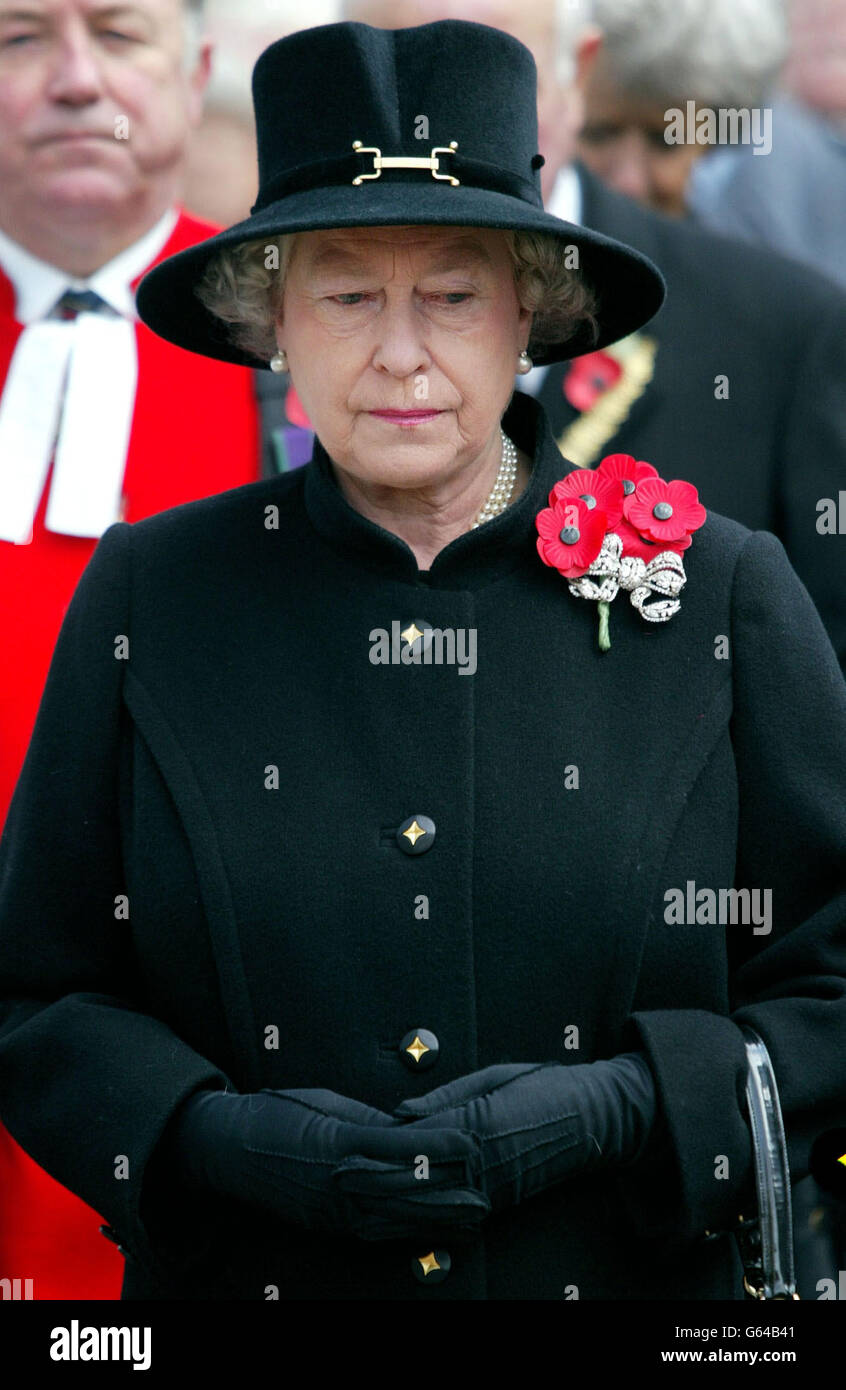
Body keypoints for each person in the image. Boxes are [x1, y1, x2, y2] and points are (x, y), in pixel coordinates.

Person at [0, 17, 844, 1303]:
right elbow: (41, 991)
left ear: (533, 318)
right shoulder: (153, 595)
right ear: (270, 320)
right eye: (347, 295)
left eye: (452, 295)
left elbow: (832, 977)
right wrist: (205, 1135)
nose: (401, 355)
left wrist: (634, 1104)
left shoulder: (720, 594)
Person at [0, 0, 264, 1299]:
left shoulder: (302, 344)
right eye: (15, 39)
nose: (72, 81)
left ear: (200, 71)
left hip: (195, 1068)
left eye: (119, 33)